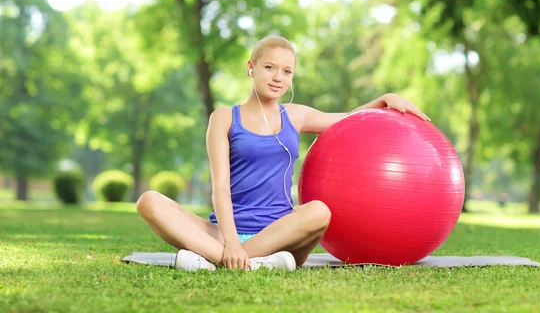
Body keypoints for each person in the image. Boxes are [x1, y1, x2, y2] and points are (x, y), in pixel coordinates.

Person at [136, 36, 430, 272]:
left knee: (319, 212)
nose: (278, 77)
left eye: (287, 71)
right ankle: (246, 261)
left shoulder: (297, 116)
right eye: (269, 68)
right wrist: (231, 243)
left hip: (281, 234)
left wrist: (384, 100)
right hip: (224, 233)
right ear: (251, 67)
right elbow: (221, 188)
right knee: (149, 201)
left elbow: (349, 121)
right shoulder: (224, 118)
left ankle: (210, 260)